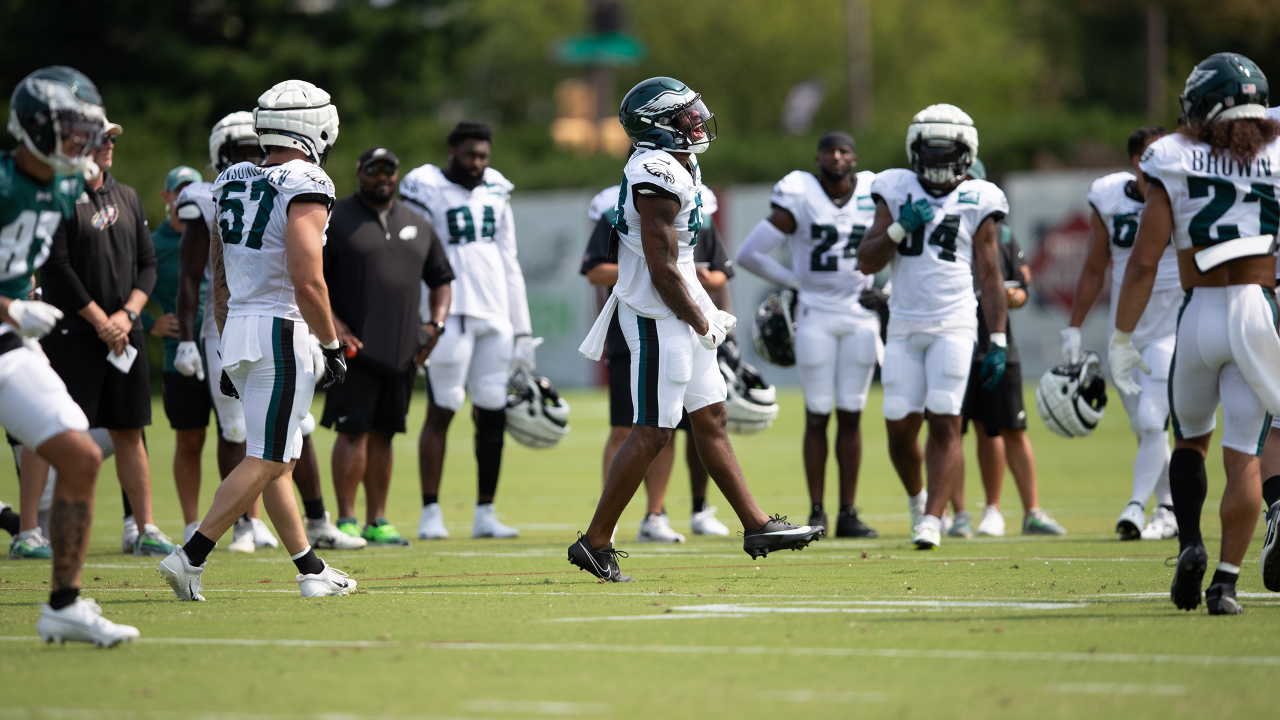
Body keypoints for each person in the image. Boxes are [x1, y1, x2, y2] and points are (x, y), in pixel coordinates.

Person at [571, 76, 821, 582]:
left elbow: (676, 263)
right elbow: (662, 268)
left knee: (711, 418)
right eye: (684, 115)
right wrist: (701, 319)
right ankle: (595, 542)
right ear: (658, 126)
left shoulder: (678, 162)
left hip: (677, 309)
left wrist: (700, 314)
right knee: (652, 432)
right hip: (656, 315)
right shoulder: (654, 171)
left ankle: (755, 524)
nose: (697, 120)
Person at [159, 79, 355, 601]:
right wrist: (332, 343)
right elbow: (307, 277)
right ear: (314, 127)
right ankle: (190, 555)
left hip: (241, 326)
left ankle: (310, 570)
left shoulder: (230, 179)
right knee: (267, 459)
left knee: (278, 461)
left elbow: (219, 278)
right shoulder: (306, 179)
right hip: (279, 328)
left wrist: (224, 342)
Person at [1117, 53, 1280, 615]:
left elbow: (1143, 262)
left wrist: (1120, 337)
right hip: (1259, 309)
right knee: (1245, 456)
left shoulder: (1172, 155)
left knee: (1189, 439)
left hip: (1200, 311)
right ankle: (1227, 584)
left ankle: (1189, 544)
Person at [3, 66, 137, 644]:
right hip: (8, 325)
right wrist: (10, 307)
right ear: (34, 128)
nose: (85, 144)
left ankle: (63, 603)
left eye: (89, 133)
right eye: (73, 131)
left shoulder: (65, 187)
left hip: (7, 342)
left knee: (81, 457)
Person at [856, 104, 1009, 551]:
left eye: (949, 155)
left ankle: (932, 519)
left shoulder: (981, 196)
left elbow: (991, 274)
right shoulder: (894, 188)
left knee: (945, 418)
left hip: (956, 323)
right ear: (914, 151)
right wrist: (901, 228)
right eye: (933, 154)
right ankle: (918, 499)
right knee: (899, 427)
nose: (940, 164)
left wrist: (996, 337)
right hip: (904, 323)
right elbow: (867, 259)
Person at [39, 114, 175, 558]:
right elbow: (56, 268)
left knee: (129, 430)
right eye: (103, 138)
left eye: (113, 138)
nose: (110, 145)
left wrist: (128, 313)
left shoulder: (128, 196)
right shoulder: (60, 195)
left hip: (124, 332)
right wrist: (101, 320)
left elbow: (147, 264)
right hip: (73, 332)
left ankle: (145, 527)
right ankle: (30, 532)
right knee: (58, 430)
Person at [735, 130, 882, 538]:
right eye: (829, 151)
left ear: (855, 158)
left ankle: (848, 513)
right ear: (817, 158)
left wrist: (888, 292)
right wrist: (795, 281)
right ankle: (818, 510)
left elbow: (905, 248)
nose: (837, 157)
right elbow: (748, 254)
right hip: (815, 314)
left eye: (844, 150)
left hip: (859, 314)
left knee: (852, 414)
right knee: (817, 414)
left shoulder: (875, 192)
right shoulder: (799, 194)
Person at [400, 121, 534, 540]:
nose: (477, 163)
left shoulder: (497, 188)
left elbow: (509, 258)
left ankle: (485, 513)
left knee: (492, 410)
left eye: (483, 156)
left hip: (494, 312)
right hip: (449, 313)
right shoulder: (426, 186)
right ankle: (430, 511)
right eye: (470, 155)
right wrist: (420, 316)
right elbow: (414, 253)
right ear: (451, 150)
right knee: (444, 405)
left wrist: (523, 329)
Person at [581, 176, 733, 541]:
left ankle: (656, 515)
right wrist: (649, 267)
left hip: (686, 322)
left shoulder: (697, 203)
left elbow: (720, 274)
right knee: (631, 427)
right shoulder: (627, 199)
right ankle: (607, 525)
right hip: (637, 321)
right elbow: (596, 271)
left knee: (676, 427)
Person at [322, 146, 454, 545]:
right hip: (354, 350)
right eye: (374, 169)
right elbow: (312, 279)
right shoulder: (336, 219)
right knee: (353, 434)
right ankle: (345, 520)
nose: (383, 176)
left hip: (402, 351)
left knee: (385, 435)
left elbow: (442, 279)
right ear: (359, 171)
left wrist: (435, 326)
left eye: (389, 170)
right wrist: (335, 326)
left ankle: (376, 520)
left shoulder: (417, 222)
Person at [1064, 127, 1179, 542]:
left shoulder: (1185, 188)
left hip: (1173, 325)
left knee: (1152, 421)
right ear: (1137, 162)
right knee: (1143, 427)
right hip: (1126, 331)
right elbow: (1095, 268)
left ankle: (1135, 505)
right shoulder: (1109, 196)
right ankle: (1169, 510)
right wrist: (1074, 326)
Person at [954, 160, 1064, 538]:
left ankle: (1027, 510)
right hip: (951, 340)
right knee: (951, 429)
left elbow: (1022, 286)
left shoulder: (1000, 233)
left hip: (996, 339)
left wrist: (1003, 295)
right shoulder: (939, 227)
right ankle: (958, 514)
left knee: (1007, 428)